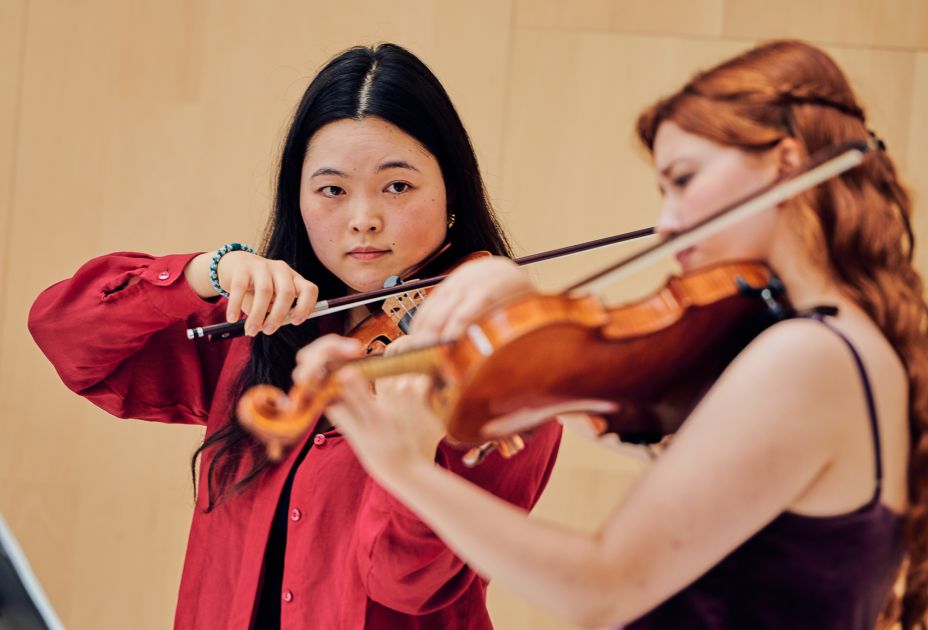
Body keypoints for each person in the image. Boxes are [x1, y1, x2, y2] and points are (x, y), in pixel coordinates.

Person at [295, 40, 928, 628]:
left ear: (784, 165)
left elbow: (605, 588)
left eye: (683, 179)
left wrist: (402, 464)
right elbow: (641, 404)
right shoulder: (832, 343)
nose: (667, 222)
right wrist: (524, 326)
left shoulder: (807, 356)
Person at [28, 43, 562, 629]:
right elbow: (69, 336)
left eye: (397, 187)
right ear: (299, 198)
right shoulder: (270, 328)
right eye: (332, 190)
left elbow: (409, 583)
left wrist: (411, 454)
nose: (363, 219)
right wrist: (209, 271)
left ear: (451, 189)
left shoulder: (505, 376)